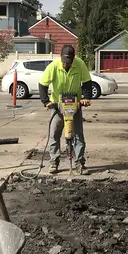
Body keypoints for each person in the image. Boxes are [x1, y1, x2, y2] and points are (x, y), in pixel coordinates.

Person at [38, 45, 92, 175]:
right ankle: (53, 163)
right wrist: (46, 101)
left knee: (79, 136)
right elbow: (43, 84)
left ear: (74, 59)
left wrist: (86, 98)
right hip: (58, 106)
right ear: (60, 57)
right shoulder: (54, 66)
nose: (66, 64)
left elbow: (87, 82)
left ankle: (80, 163)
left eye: (69, 62)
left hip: (75, 105)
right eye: (64, 62)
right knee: (54, 134)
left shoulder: (80, 64)